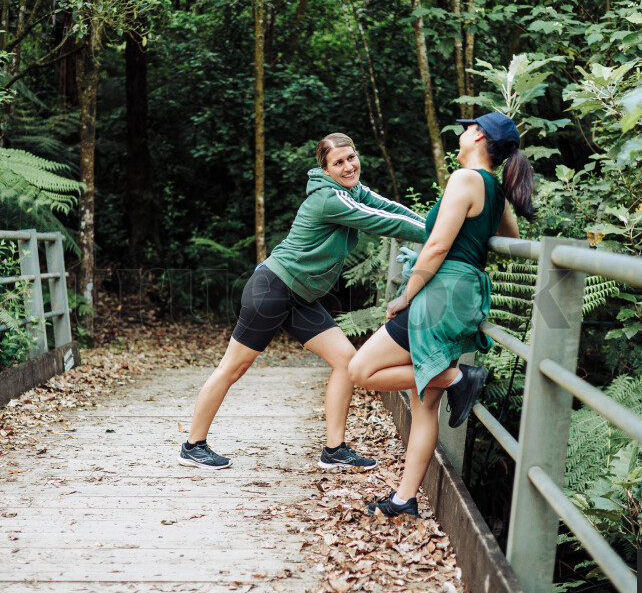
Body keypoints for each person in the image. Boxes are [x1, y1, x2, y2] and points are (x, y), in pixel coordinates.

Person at [179, 133, 427, 470]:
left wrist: (435, 225)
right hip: (273, 289)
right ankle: (193, 445)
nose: (348, 166)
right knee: (233, 368)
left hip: (299, 296)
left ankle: (334, 449)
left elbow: (391, 208)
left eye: (351, 158)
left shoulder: (353, 191)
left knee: (345, 360)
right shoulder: (331, 199)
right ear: (325, 170)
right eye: (338, 162)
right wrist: (442, 234)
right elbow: (387, 223)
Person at [347, 112, 536, 517]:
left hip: (439, 294)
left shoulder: (465, 179)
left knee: (360, 369)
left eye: (469, 127)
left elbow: (435, 247)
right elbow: (511, 239)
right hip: (463, 296)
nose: (463, 131)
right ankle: (404, 499)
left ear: (480, 136)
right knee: (424, 404)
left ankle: (458, 377)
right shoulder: (493, 188)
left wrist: (404, 295)